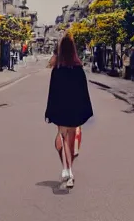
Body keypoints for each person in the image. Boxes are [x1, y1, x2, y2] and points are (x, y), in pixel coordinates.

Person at [45, 34, 94, 189]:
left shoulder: (57, 70)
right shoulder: (79, 70)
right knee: (70, 140)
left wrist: (49, 111)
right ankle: (69, 170)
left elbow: (52, 93)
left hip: (61, 108)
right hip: (74, 109)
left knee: (62, 137)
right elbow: (83, 92)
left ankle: (67, 170)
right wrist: (85, 110)